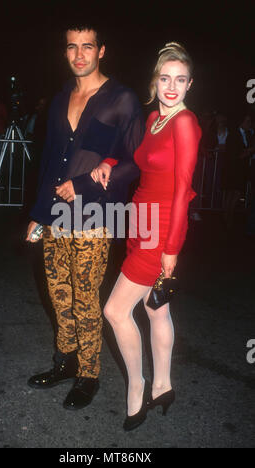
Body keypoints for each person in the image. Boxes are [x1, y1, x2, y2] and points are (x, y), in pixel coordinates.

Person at [25, 24, 145, 410]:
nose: (79, 54)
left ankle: (88, 375)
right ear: (65, 52)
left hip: (94, 217)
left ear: (101, 50)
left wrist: (87, 186)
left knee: (85, 301)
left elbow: (135, 162)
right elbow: (49, 163)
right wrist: (38, 214)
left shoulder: (122, 99)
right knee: (59, 298)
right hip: (55, 217)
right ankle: (65, 362)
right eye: (72, 47)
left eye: (87, 46)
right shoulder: (60, 99)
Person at [91, 42, 201, 430]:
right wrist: (107, 161)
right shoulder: (154, 118)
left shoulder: (184, 123)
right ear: (155, 81)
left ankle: (136, 387)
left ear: (190, 84)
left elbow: (181, 190)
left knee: (115, 311)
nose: (172, 86)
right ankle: (164, 384)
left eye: (180, 80)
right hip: (139, 222)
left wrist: (171, 248)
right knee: (157, 308)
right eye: (165, 78)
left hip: (160, 230)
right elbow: (130, 152)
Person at [222, 114, 254, 229]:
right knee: (231, 192)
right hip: (232, 168)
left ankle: (228, 215)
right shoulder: (234, 135)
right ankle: (227, 216)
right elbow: (234, 154)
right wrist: (247, 151)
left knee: (236, 193)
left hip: (241, 169)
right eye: (247, 121)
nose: (249, 123)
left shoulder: (248, 135)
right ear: (241, 122)